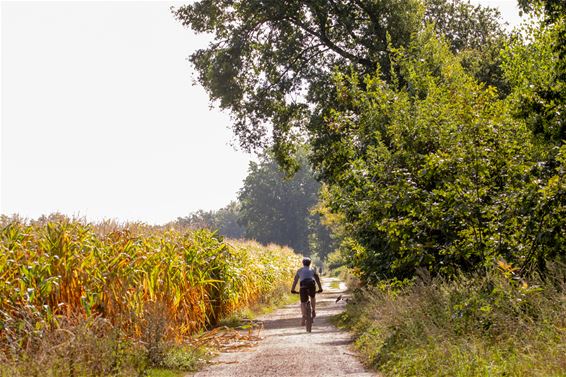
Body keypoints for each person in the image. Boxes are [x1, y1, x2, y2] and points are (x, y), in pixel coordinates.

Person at [291, 257, 323, 325]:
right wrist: (320, 288)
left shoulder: (299, 270)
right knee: (312, 297)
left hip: (303, 286)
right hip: (311, 285)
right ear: (310, 263)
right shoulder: (312, 269)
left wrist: (293, 289)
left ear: (303, 263)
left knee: (303, 302)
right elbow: (317, 279)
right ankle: (313, 310)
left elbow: (295, 281)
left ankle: (304, 316)